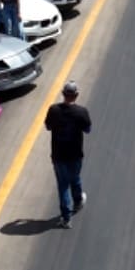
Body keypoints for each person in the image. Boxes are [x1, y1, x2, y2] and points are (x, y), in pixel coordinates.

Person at [43, 81, 91, 229]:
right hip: (75, 154)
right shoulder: (82, 112)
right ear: (76, 95)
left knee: (63, 185)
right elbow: (88, 130)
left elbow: (48, 126)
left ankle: (66, 218)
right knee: (75, 178)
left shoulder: (53, 110)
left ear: (63, 94)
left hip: (58, 155)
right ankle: (78, 201)